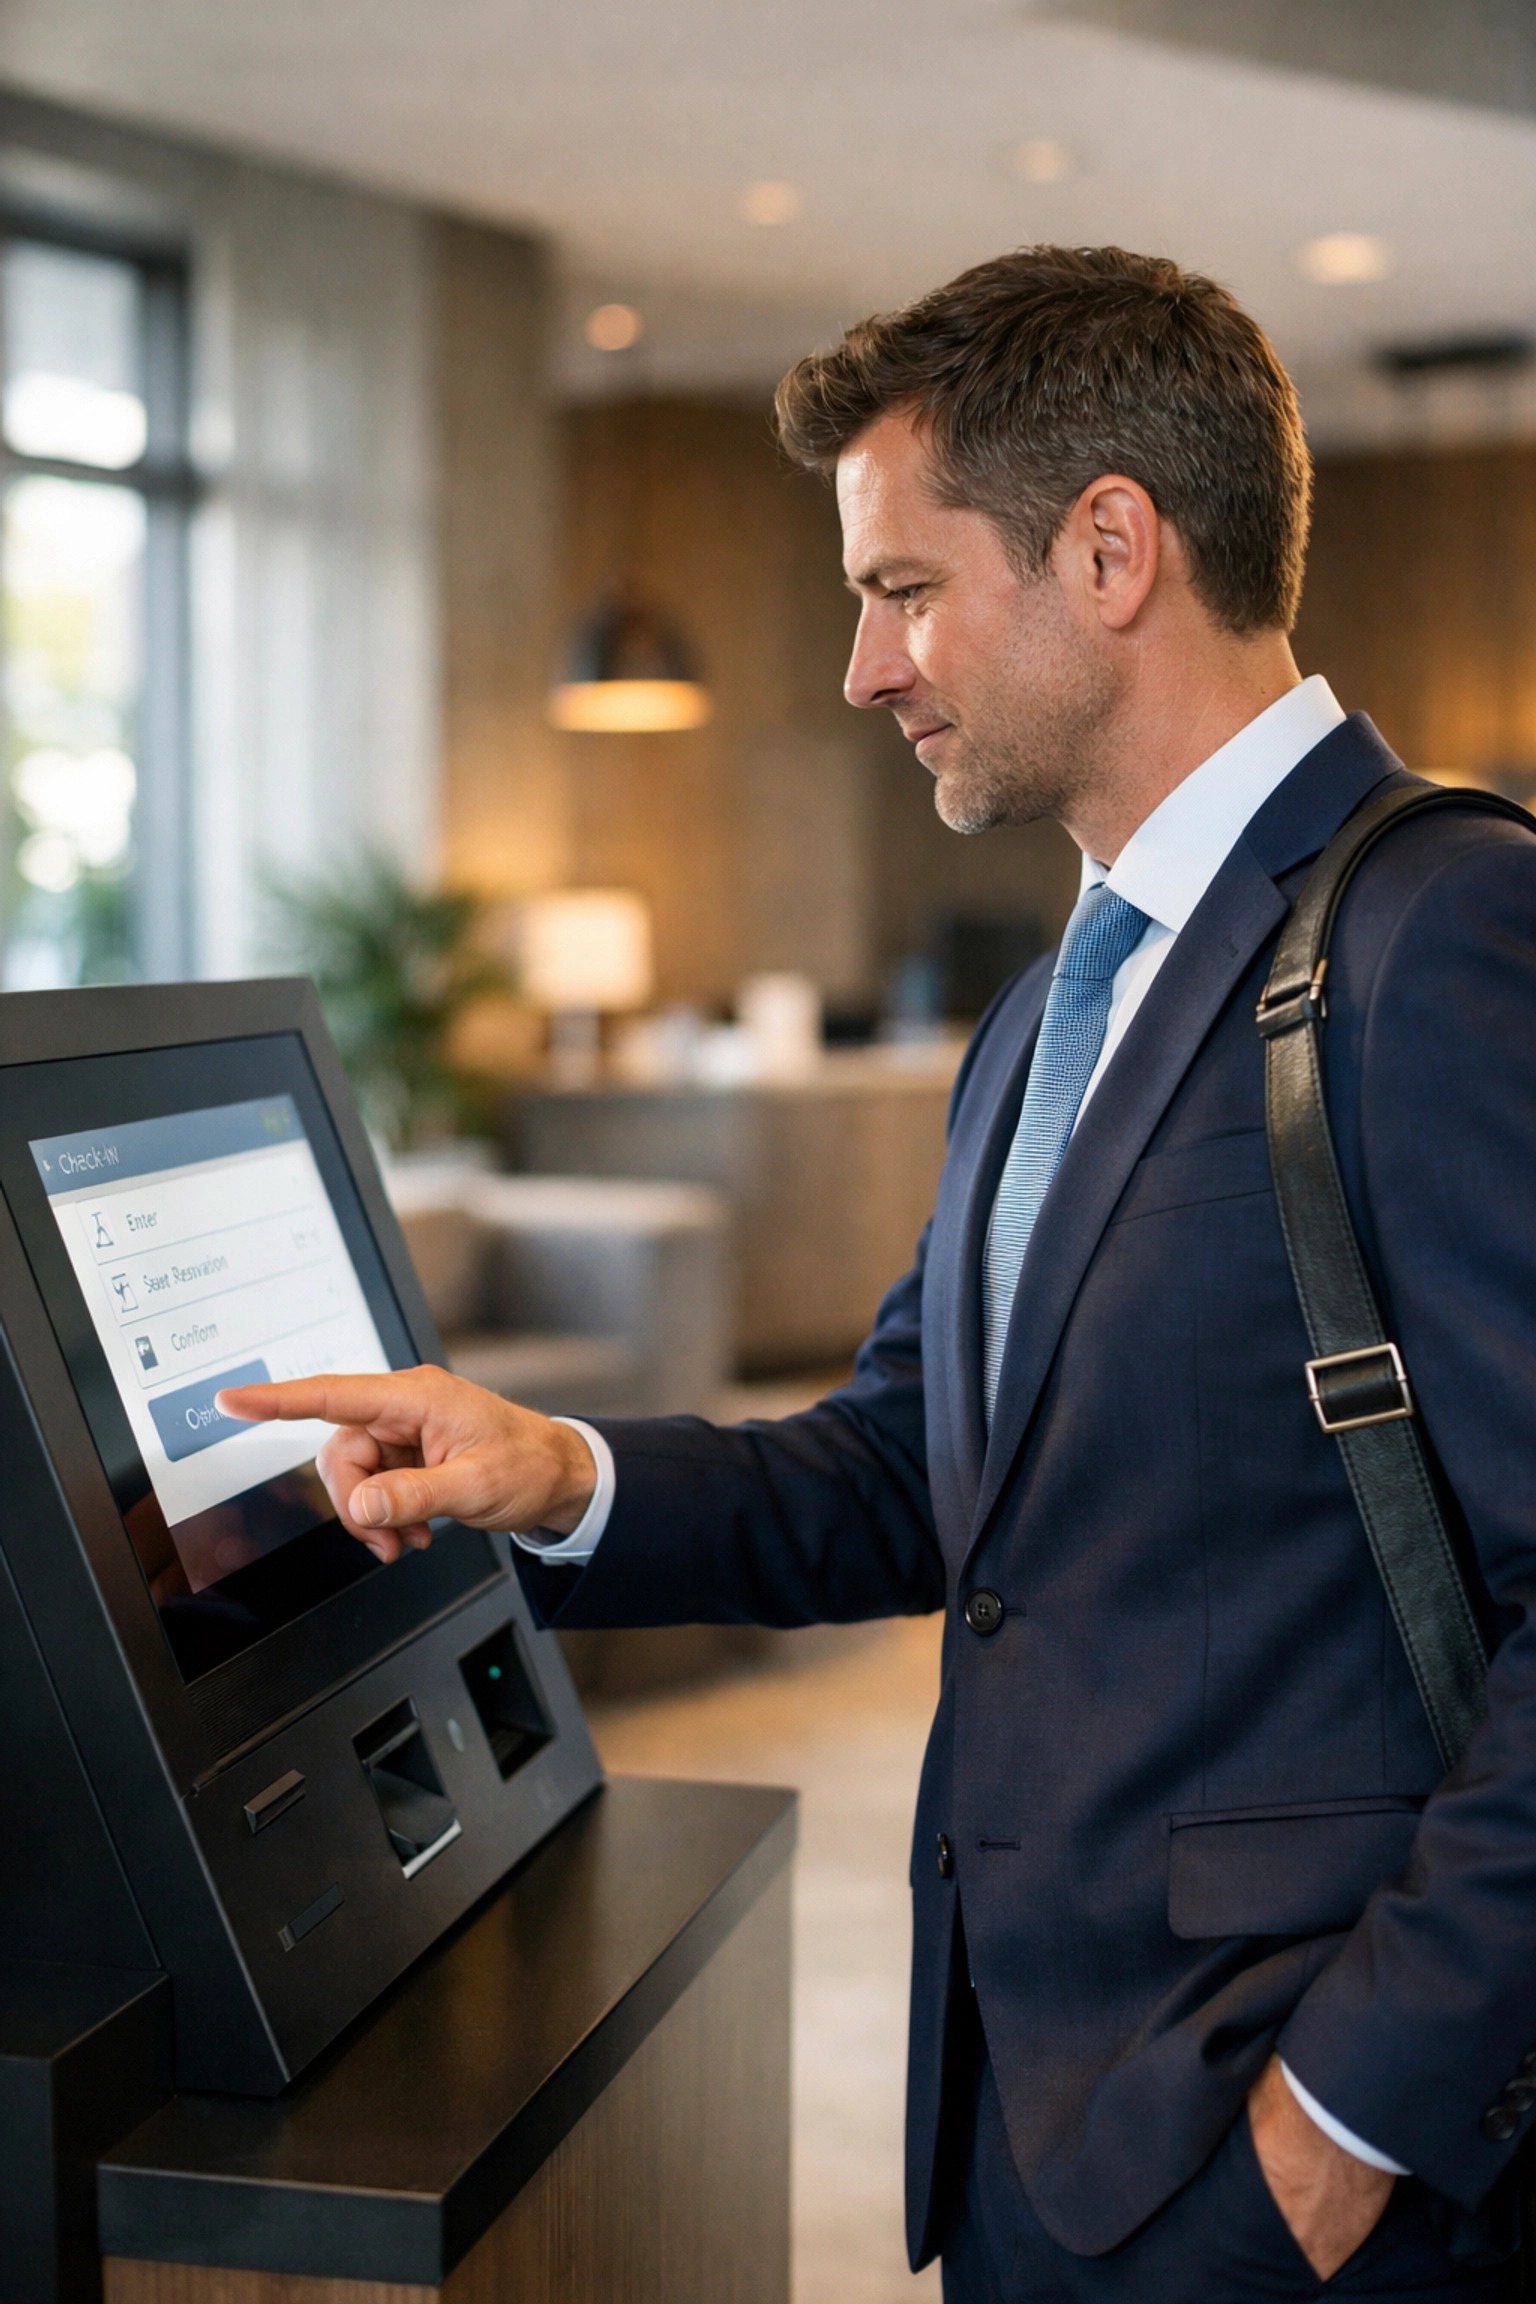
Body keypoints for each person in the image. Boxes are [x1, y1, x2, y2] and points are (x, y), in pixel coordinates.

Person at [221, 247, 1536, 2300]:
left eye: (904, 588)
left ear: (1111, 549)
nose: (862, 665)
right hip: (1032, 2112)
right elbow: (908, 1475)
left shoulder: (1447, 940)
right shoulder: (1049, 1018)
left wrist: (1347, 2122)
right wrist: (550, 1471)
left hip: (1309, 2176)